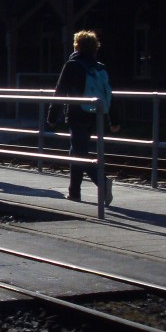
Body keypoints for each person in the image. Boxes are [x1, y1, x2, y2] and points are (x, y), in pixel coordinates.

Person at [47, 30, 120, 205]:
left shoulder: (72, 65)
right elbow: (108, 94)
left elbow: (59, 92)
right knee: (77, 150)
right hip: (96, 115)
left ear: (77, 45)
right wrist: (113, 120)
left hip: (77, 114)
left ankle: (101, 181)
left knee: (79, 152)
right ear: (95, 47)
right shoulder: (100, 67)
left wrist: (52, 116)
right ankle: (74, 192)